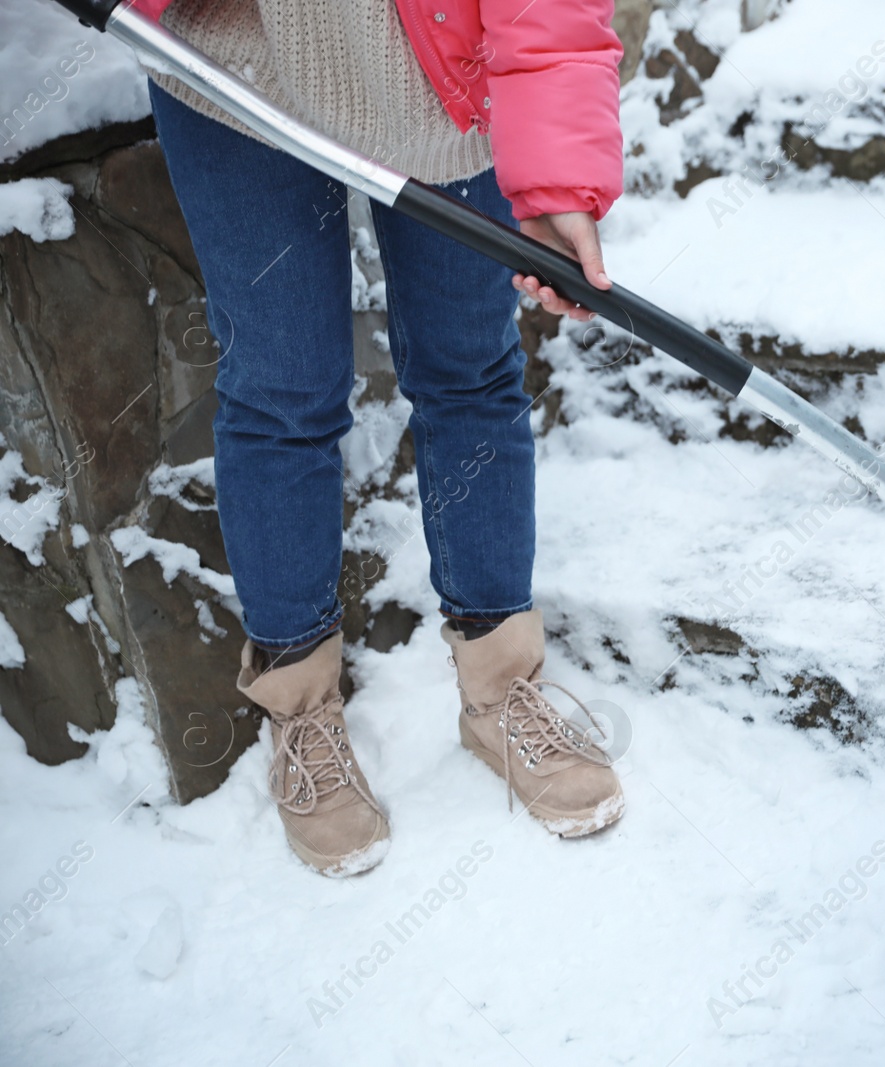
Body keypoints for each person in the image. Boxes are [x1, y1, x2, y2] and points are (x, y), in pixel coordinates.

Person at [137, 0, 627, 876]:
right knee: (280, 389)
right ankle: (302, 712)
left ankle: (500, 690)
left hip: (444, 82)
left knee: (469, 369)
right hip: (232, 68)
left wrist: (557, 183)